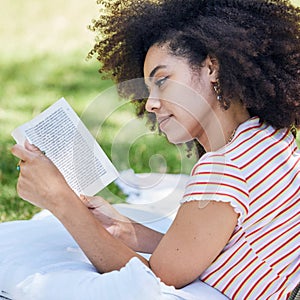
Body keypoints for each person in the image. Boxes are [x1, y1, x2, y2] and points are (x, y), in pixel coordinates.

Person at [11, 0, 299, 299]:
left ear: (212, 67)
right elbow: (212, 248)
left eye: (162, 81)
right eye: (149, 90)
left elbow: (151, 283)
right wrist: (126, 231)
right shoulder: (268, 138)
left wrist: (60, 201)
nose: (150, 103)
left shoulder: (224, 170)